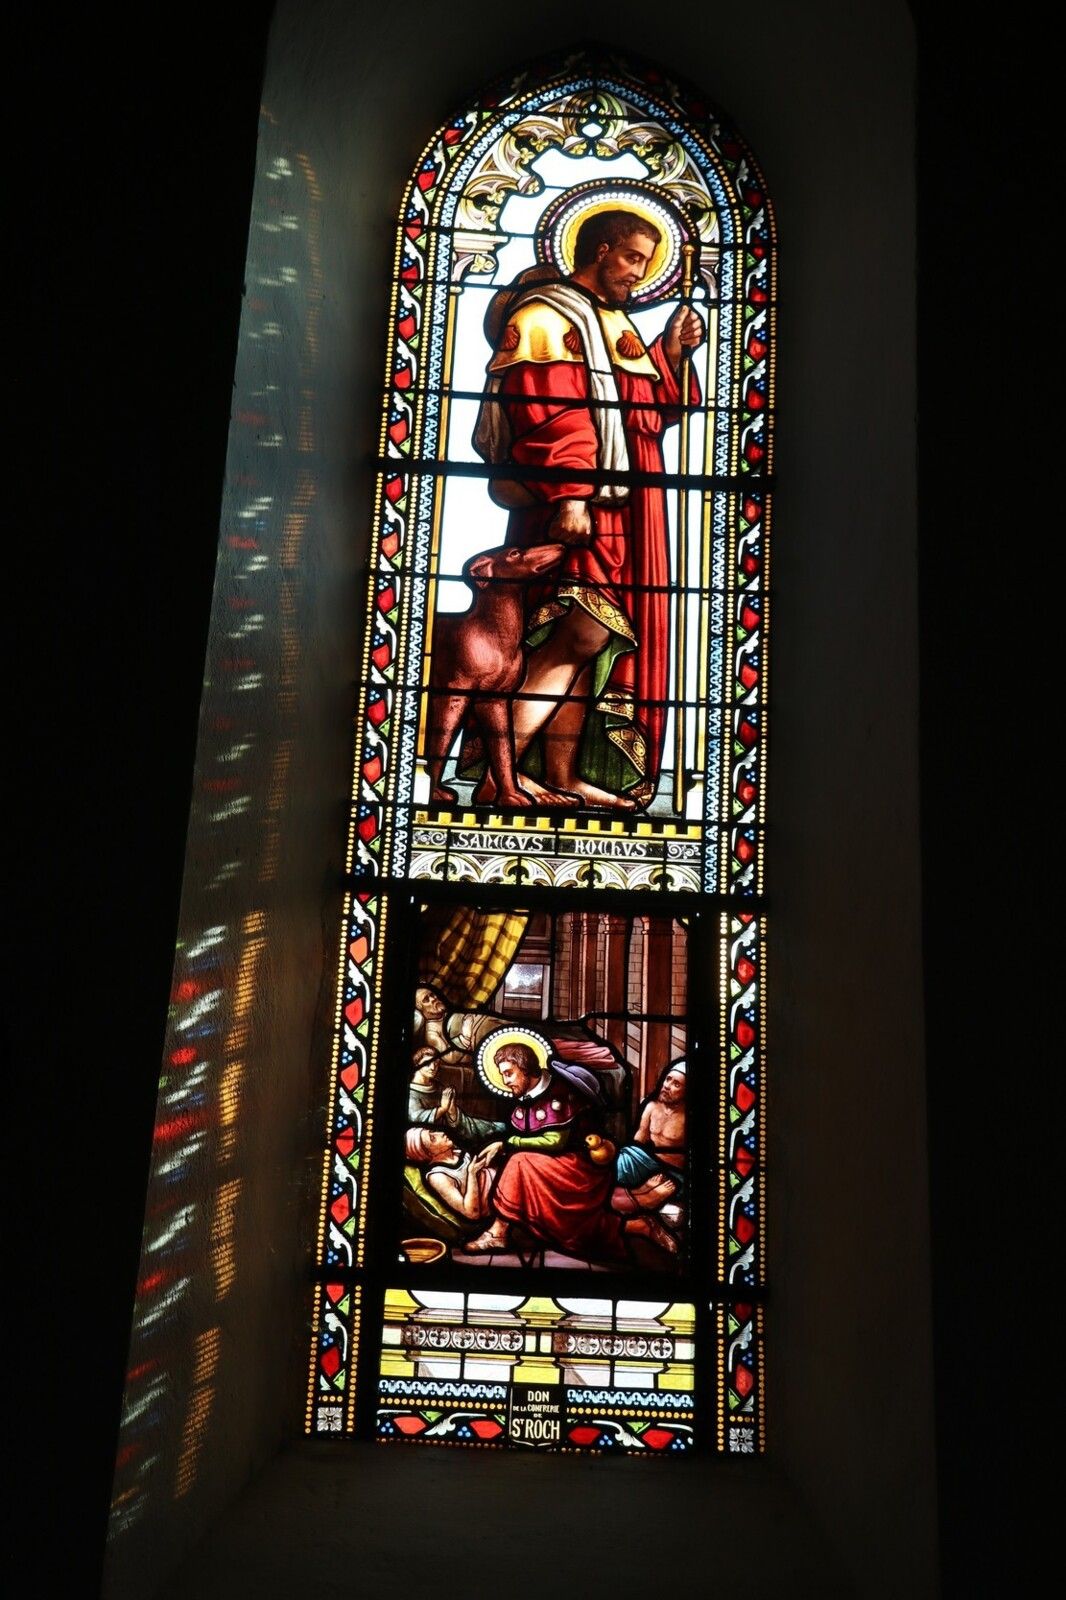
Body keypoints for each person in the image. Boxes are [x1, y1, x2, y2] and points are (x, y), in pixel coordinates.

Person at [471, 207, 704, 810]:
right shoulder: (545, 316)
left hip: (628, 504)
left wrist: (672, 353)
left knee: (588, 640)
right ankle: (501, 773)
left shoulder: (615, 324)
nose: (638, 273)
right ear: (600, 250)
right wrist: (573, 494)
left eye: (646, 263)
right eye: (632, 258)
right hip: (576, 502)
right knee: (580, 629)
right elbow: (551, 410)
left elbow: (649, 412)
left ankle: (561, 772)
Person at [465, 1039, 627, 1262]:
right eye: (502, 1075)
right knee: (516, 1160)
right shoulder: (526, 1096)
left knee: (519, 1161)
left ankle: (498, 1232)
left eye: (509, 1073)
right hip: (553, 1166)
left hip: (579, 1168)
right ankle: (502, 1230)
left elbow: (554, 1142)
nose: (505, 1081)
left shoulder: (559, 1093)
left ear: (525, 1068)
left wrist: (506, 1144)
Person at [404, 1126, 503, 1223]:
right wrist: (472, 1174)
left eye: (433, 1131)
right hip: (499, 1200)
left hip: (501, 1183)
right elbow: (472, 1213)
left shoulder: (457, 1153)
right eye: (433, 1138)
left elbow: (479, 1167)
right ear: (428, 1153)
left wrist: (496, 1146)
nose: (441, 1133)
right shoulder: (438, 1176)